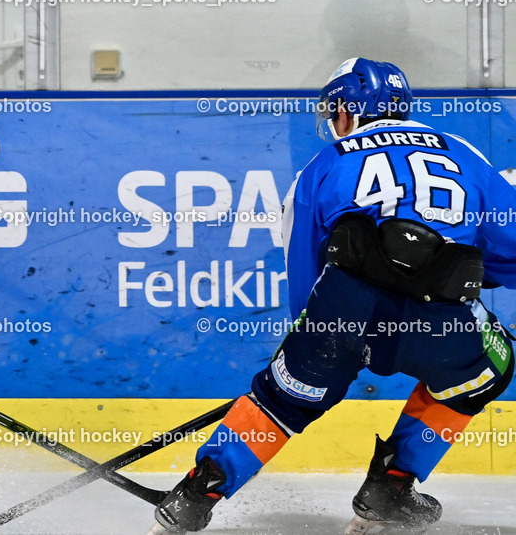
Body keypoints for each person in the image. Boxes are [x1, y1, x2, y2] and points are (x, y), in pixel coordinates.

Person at [149, 58, 516, 534]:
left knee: (281, 401)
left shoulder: (323, 165)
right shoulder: (463, 153)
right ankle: (392, 487)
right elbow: (509, 250)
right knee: (491, 367)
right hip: (438, 318)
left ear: (348, 108)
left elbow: (305, 275)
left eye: (335, 109)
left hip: (341, 310)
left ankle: (195, 495)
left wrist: (313, 346)